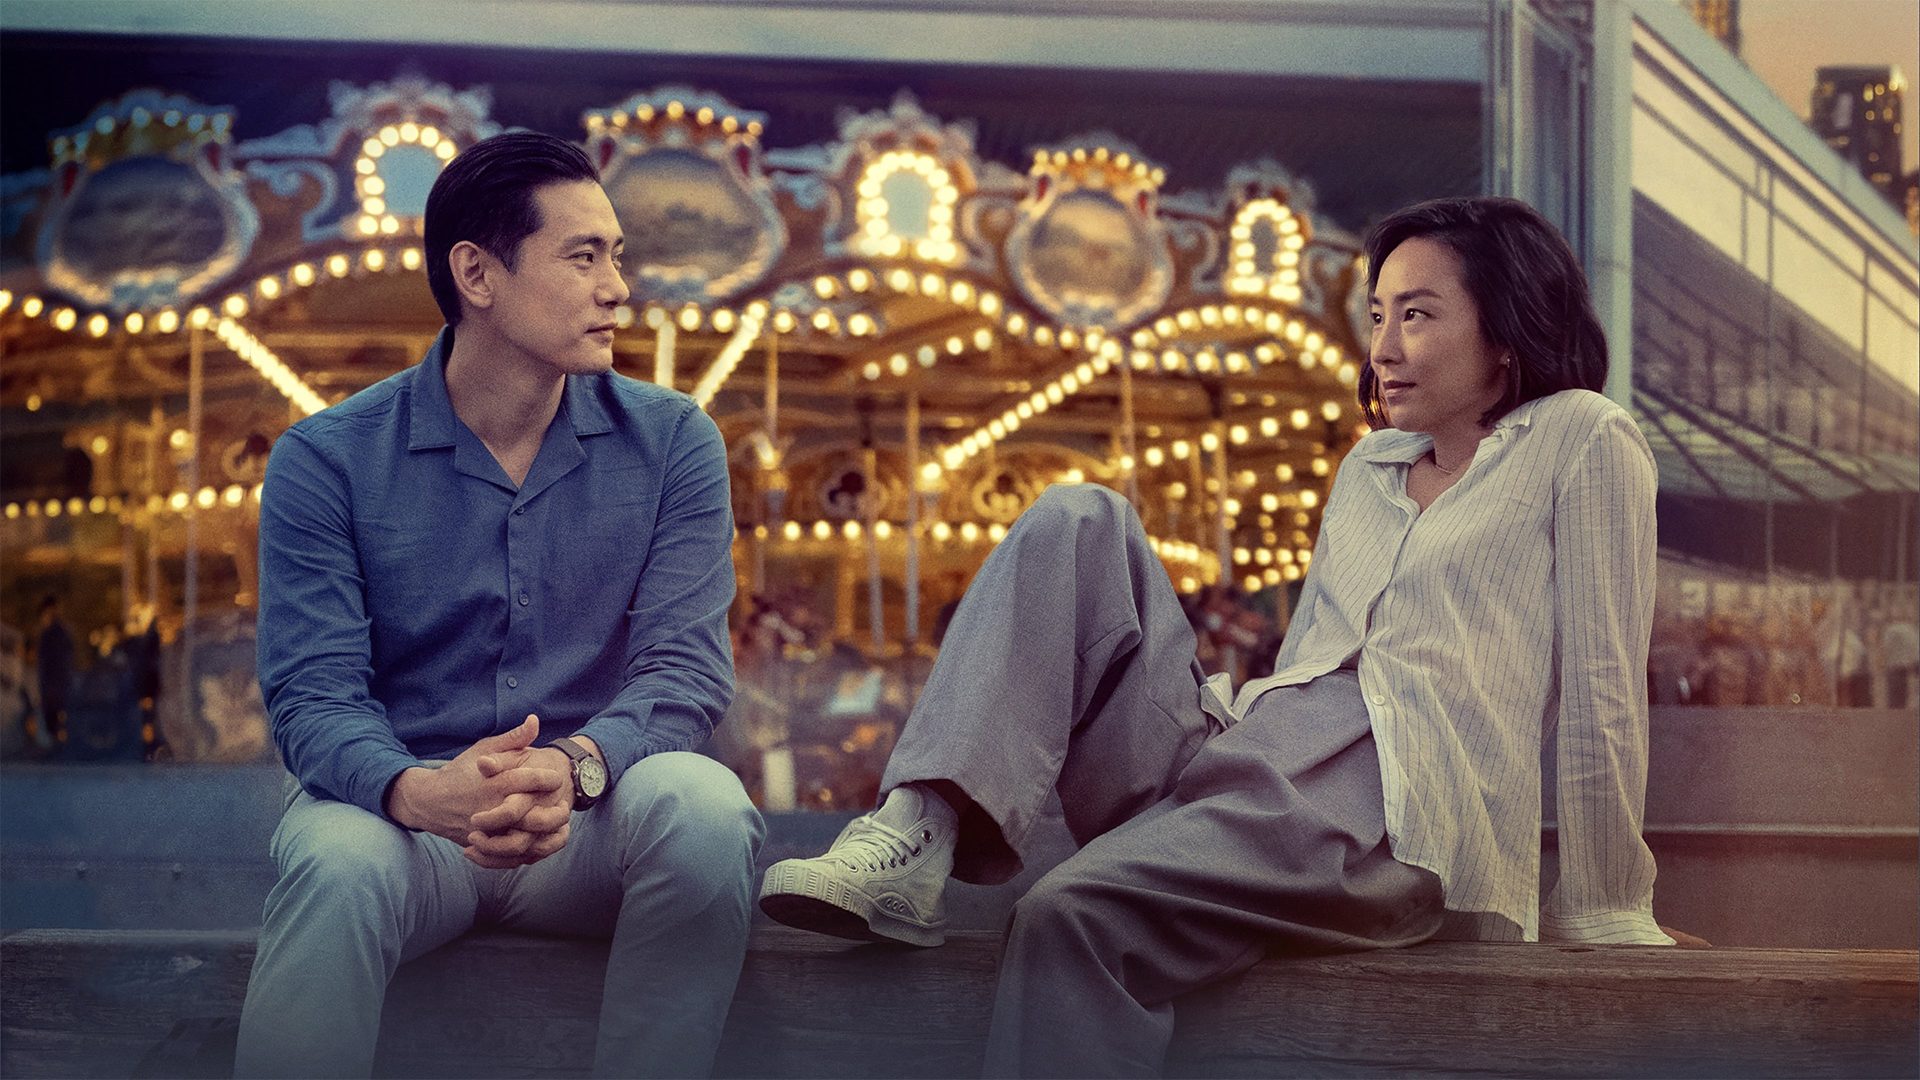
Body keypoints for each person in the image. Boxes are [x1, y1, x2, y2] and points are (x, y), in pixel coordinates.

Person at [759, 196, 1699, 1078]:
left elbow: (1603, 693)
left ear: (1507, 330)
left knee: (1068, 915)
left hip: (1386, 817)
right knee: (1079, 515)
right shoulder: (1369, 467)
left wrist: (1606, 909)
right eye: (1377, 317)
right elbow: (1309, 661)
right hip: (1256, 762)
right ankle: (918, 829)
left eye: (1418, 316)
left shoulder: (1583, 438)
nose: (1384, 349)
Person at [235, 131, 762, 1079]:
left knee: (705, 804)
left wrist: (577, 765)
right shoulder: (325, 460)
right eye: (583, 256)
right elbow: (312, 698)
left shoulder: (677, 442)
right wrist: (416, 790)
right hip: (406, 828)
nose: (617, 289)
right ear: (477, 274)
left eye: (617, 257)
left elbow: (685, 672)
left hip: (584, 826)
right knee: (335, 861)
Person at [34, 595, 73, 752]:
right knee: (55, 713)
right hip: (57, 679)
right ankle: (57, 745)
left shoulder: (53, 632)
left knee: (53, 712)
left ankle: (56, 746)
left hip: (54, 680)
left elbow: (49, 659)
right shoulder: (58, 631)